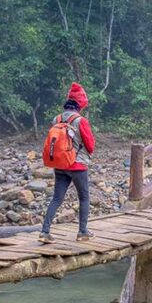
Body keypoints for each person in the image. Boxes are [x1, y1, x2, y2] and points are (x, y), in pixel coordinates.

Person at [40, 83, 95, 243]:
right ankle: (83, 232)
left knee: (57, 198)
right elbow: (90, 145)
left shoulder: (56, 119)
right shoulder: (80, 121)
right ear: (80, 104)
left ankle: (45, 232)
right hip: (77, 165)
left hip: (60, 164)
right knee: (84, 197)